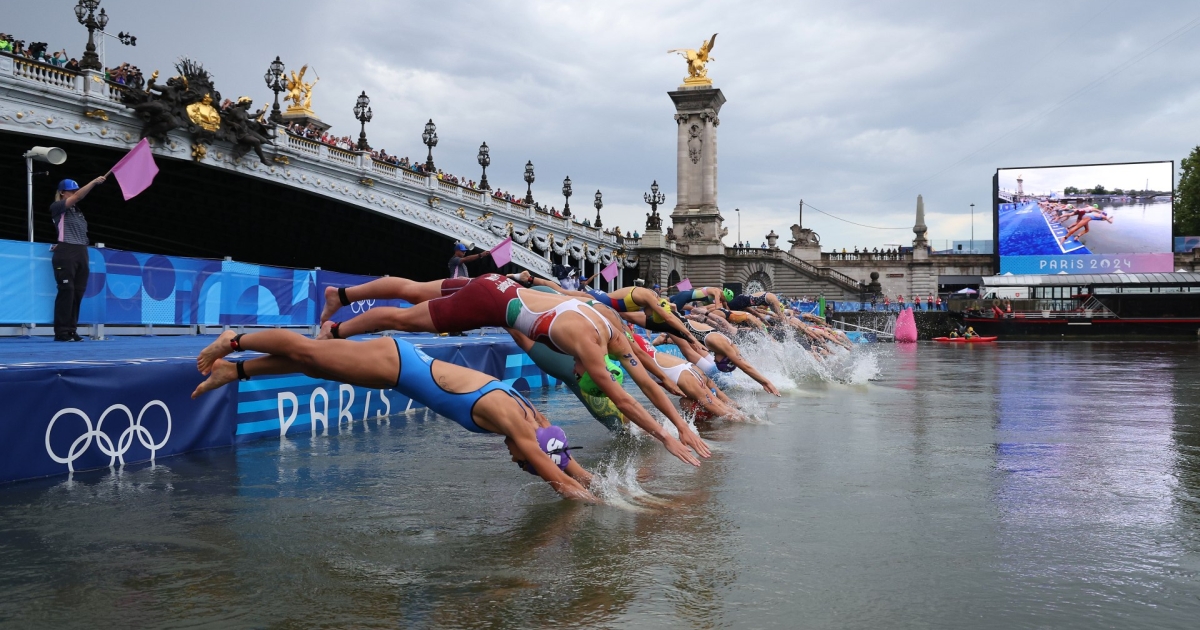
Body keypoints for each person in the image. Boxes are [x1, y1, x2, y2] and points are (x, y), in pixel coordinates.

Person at [316, 274, 710, 466]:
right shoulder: (589, 351)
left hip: (498, 284)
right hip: (487, 304)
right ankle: (335, 331)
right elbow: (624, 399)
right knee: (404, 319)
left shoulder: (611, 327)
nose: (575, 371)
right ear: (589, 369)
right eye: (580, 373)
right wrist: (666, 436)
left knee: (414, 290)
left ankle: (342, 294)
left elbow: (647, 379)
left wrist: (681, 425)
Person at [193, 330, 598, 502]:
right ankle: (233, 340)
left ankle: (234, 372)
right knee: (308, 352)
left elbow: (564, 462)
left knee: (314, 366)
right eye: (522, 462)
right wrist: (605, 510)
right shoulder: (514, 421)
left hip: (397, 371)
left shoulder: (537, 420)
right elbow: (558, 479)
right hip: (395, 362)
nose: (514, 461)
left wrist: (610, 490)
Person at [49, 176, 106, 342]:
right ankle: (61, 331)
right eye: (71, 191)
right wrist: (94, 182)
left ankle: (71, 329)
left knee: (78, 292)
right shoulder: (57, 207)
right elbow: (79, 197)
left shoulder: (78, 212)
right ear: (62, 192)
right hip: (66, 251)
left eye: (76, 190)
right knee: (67, 291)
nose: (75, 193)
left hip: (81, 251)